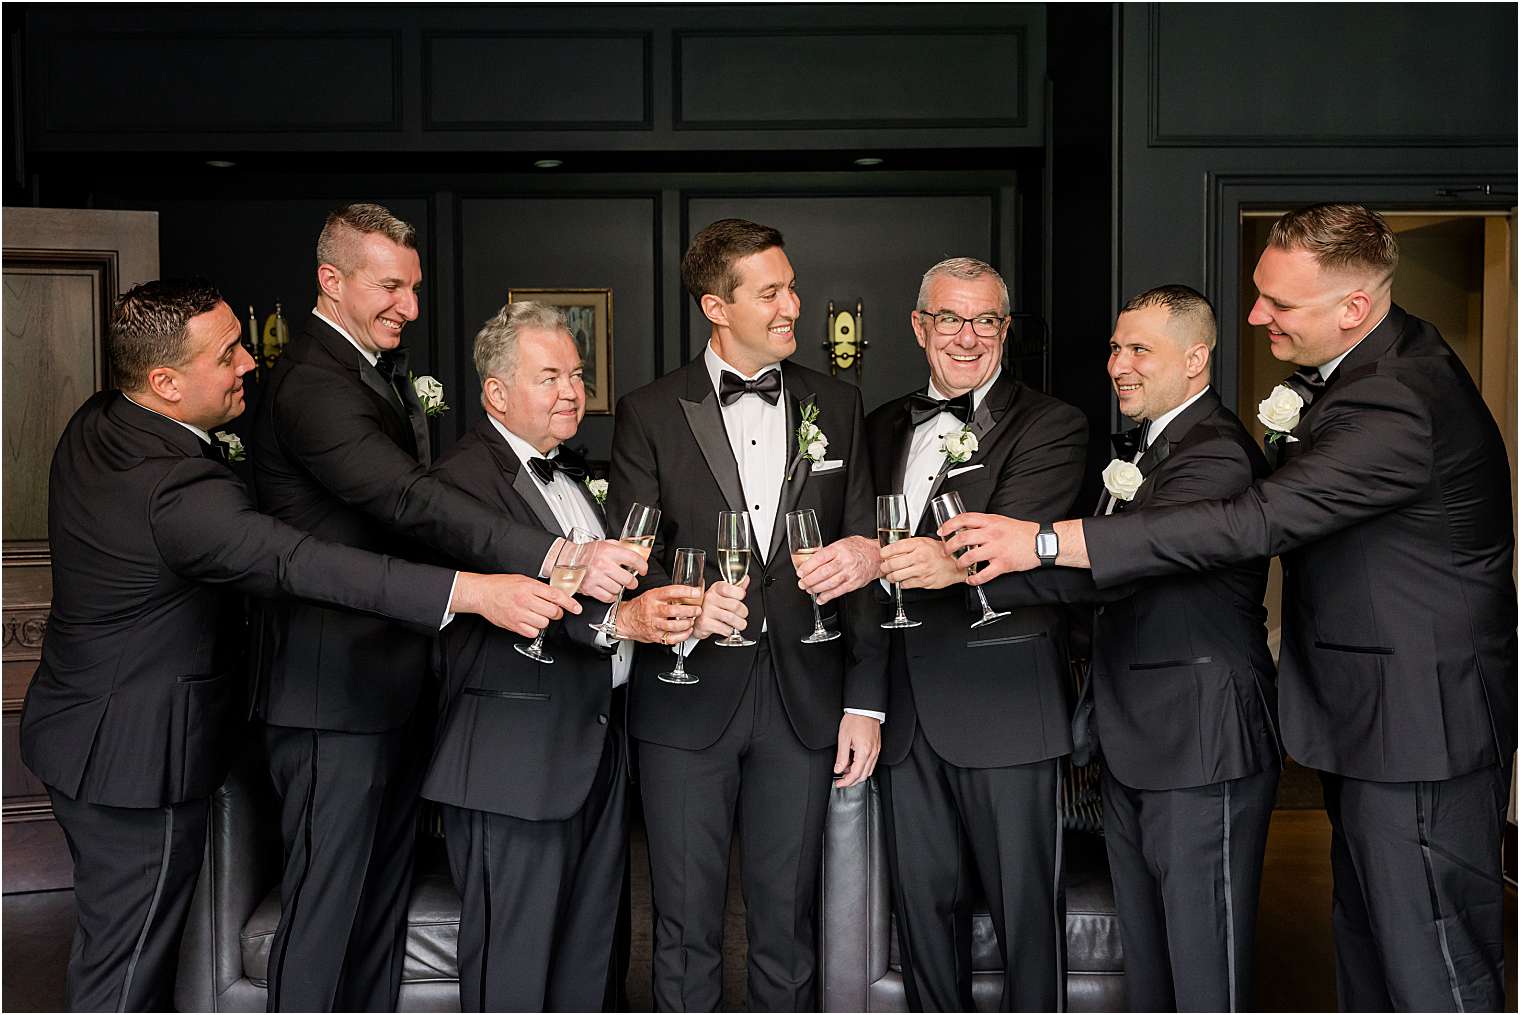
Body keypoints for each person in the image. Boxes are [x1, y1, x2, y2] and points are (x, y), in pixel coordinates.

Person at [949, 204, 1516, 1011]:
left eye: (1278, 304)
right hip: (1379, 725)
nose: (1257, 315)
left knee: (1432, 971)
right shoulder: (1373, 368)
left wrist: (1040, 542)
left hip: (1423, 729)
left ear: (1354, 307)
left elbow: (1252, 522)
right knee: (1370, 954)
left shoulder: (1399, 399)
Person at [19, 278, 576, 1012]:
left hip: (81, 727)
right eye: (227, 355)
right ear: (164, 381)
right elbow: (303, 562)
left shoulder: (100, 422)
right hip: (133, 755)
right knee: (124, 973)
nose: (251, 362)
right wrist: (475, 591)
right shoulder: (176, 492)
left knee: (119, 950)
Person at [250, 204, 644, 1012]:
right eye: (390, 285)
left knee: (373, 919)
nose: (412, 305)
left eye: (415, 285)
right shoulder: (312, 383)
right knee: (329, 919)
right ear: (331, 281)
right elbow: (402, 498)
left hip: (386, 690)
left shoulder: (370, 374)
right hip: (330, 693)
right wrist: (552, 554)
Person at [972, 284, 1281, 1010]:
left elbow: (1143, 553)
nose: (1118, 364)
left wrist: (1030, 545)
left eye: (1140, 348)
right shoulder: (1152, 446)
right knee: (1148, 965)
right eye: (1116, 347)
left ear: (1197, 357)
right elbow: (1095, 584)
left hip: (1203, 743)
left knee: (1205, 970)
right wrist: (968, 576)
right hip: (1134, 740)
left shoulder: (1217, 455)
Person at [607, 218, 887, 1011]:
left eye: (791, 285)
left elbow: (862, 552)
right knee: (685, 925)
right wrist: (685, 605)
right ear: (716, 307)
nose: (794, 304)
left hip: (805, 699)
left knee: (786, 924)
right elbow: (634, 552)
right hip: (685, 699)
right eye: (771, 292)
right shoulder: (650, 410)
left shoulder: (838, 402)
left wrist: (865, 698)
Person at [420, 301, 678, 1011]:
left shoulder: (573, 472)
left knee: (589, 968)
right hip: (512, 763)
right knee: (514, 974)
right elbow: (523, 598)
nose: (572, 390)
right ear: (497, 393)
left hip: (591, 750)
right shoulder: (461, 481)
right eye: (551, 376)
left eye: (577, 373)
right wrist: (622, 618)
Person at [864, 257, 1086, 1010]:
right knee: (922, 916)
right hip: (905, 710)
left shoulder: (1053, 423)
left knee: (1027, 921)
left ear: (1004, 331)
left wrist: (935, 559)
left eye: (986, 320)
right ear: (920, 326)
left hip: (1006, 705)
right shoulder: (882, 424)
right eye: (950, 318)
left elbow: (1008, 539)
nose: (967, 336)